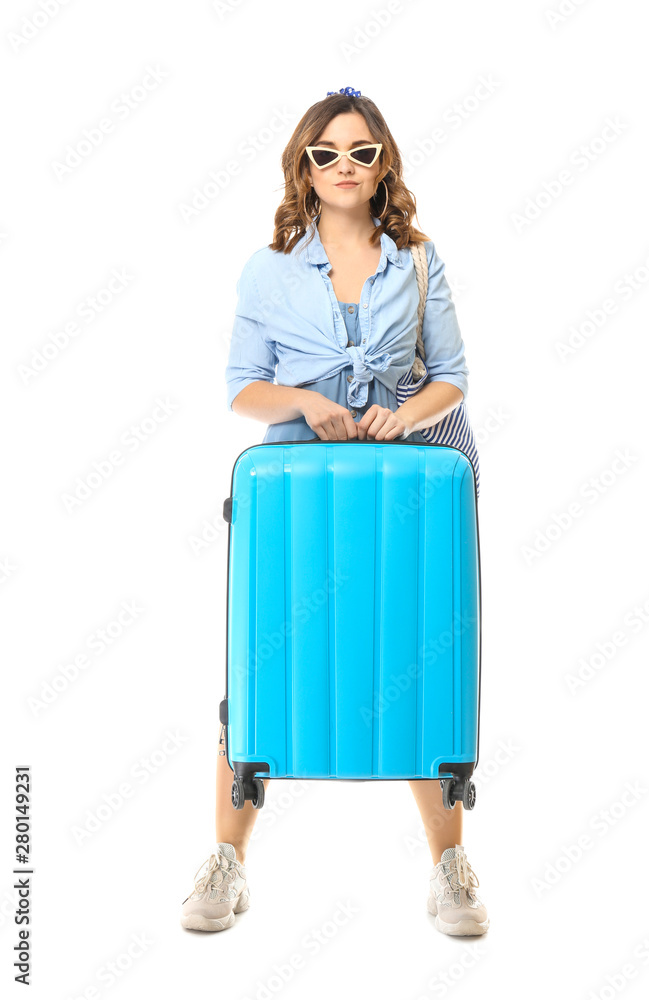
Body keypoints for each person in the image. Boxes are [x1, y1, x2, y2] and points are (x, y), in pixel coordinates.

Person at [180, 87, 489, 937]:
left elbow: (452, 375)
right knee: (266, 659)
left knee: (422, 653)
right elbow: (242, 389)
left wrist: (408, 412)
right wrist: (306, 404)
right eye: (326, 153)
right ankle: (227, 860)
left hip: (409, 485)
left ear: (382, 161)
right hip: (297, 494)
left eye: (360, 151)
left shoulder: (418, 260)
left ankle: (450, 868)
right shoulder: (267, 269)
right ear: (303, 167)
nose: (344, 166)